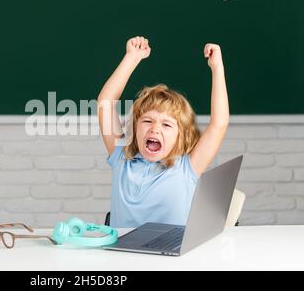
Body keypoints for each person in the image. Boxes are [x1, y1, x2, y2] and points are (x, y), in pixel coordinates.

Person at [97, 36, 229, 227]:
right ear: (135, 128)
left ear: (180, 135)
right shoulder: (121, 158)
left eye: (167, 125)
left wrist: (217, 68)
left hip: (169, 255)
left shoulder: (187, 167)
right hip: (123, 255)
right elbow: (105, 102)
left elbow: (219, 124)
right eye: (148, 121)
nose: (155, 129)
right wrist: (132, 58)